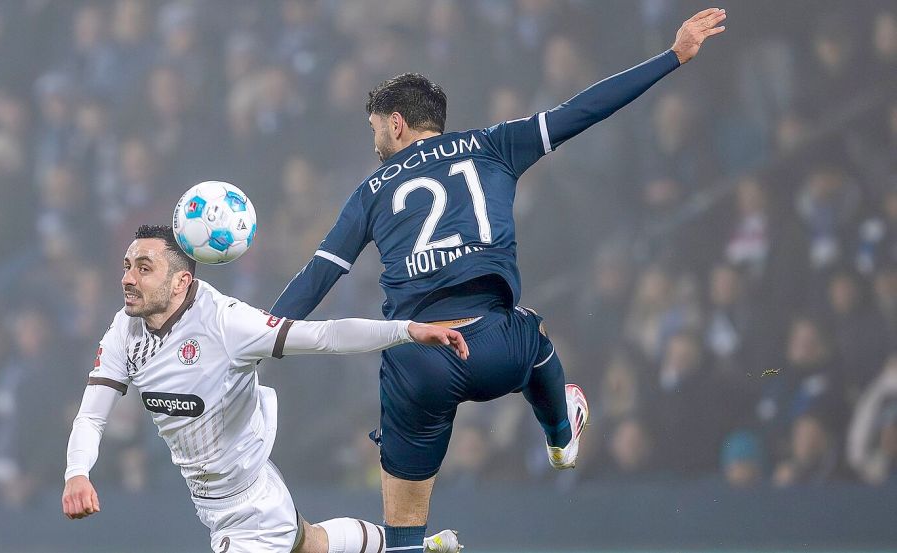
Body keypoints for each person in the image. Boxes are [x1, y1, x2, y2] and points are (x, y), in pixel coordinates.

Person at [271, 8, 726, 550]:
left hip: (418, 362)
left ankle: (412, 546)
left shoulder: (370, 191)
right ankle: (561, 435)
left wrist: (259, 330)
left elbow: (319, 275)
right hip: (497, 347)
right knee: (536, 337)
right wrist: (673, 56)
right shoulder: (493, 144)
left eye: (375, 129)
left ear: (396, 123)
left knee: (402, 528)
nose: (375, 142)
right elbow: (584, 110)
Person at [61, 225, 466, 553]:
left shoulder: (227, 323)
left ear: (182, 280)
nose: (127, 278)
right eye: (127, 265)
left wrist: (406, 330)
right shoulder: (124, 329)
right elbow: (92, 415)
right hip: (239, 496)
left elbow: (325, 336)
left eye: (144, 268)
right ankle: (423, 548)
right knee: (315, 543)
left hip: (248, 510)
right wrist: (77, 472)